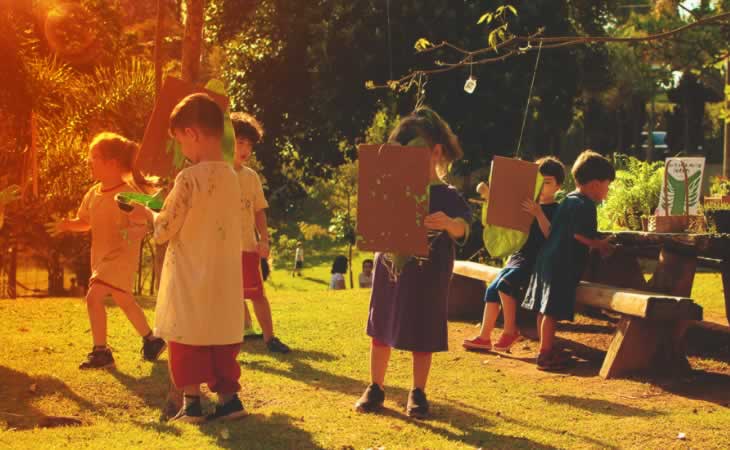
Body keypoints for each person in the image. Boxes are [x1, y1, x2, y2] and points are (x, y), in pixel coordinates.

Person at [127, 94, 247, 422]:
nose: (181, 149)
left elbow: (165, 228)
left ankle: (192, 403)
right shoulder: (232, 177)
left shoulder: (189, 178)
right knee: (220, 332)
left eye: (180, 140)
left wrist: (148, 212)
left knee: (185, 333)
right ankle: (228, 400)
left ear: (191, 133)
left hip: (190, 270)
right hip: (223, 272)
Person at [354, 107, 471, 419]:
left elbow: (464, 227)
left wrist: (448, 223)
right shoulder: (392, 187)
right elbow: (374, 221)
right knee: (382, 325)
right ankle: (375, 386)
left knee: (424, 328)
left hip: (429, 275)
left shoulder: (448, 195)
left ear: (435, 152)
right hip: (391, 269)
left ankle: (417, 391)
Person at [46, 132, 166, 370]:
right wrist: (66, 224)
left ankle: (101, 352)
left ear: (111, 163)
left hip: (121, 256)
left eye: (94, 158)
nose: (89, 162)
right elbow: (85, 221)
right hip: (101, 257)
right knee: (124, 300)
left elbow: (144, 219)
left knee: (94, 297)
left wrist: (135, 231)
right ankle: (152, 340)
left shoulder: (128, 193)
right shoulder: (94, 192)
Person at [521, 150, 615, 371]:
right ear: (594, 184)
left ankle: (546, 348)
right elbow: (580, 236)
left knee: (544, 309)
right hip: (561, 264)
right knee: (551, 311)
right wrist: (601, 244)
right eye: (607, 185)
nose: (607, 191)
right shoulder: (585, 205)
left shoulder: (568, 200)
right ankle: (545, 355)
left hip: (546, 259)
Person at [463, 157, 565, 352]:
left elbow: (551, 236)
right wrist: (489, 195)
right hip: (518, 256)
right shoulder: (526, 203)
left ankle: (510, 331)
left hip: (536, 259)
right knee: (492, 289)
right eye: (538, 182)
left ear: (559, 186)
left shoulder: (556, 209)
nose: (542, 187)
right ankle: (484, 337)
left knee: (505, 285)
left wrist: (538, 214)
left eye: (547, 182)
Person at [230, 111, 290, 353]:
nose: (245, 149)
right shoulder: (215, 174)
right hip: (220, 251)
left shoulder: (250, 177)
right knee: (225, 297)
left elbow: (259, 211)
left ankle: (270, 338)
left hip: (247, 247)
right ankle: (227, 340)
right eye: (239, 142)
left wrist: (264, 239)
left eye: (249, 144)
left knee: (257, 294)